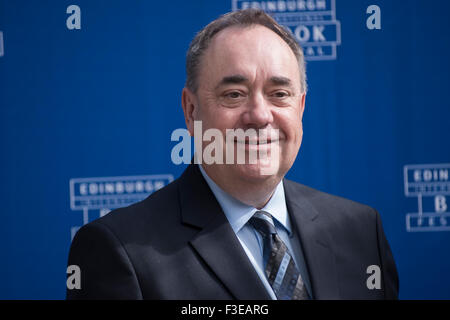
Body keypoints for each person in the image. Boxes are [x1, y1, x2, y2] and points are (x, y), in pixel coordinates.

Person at [66, 9, 399, 300]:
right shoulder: (121, 251)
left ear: (300, 107)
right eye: (234, 94)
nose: (259, 115)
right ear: (191, 110)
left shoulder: (360, 231)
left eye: (279, 94)